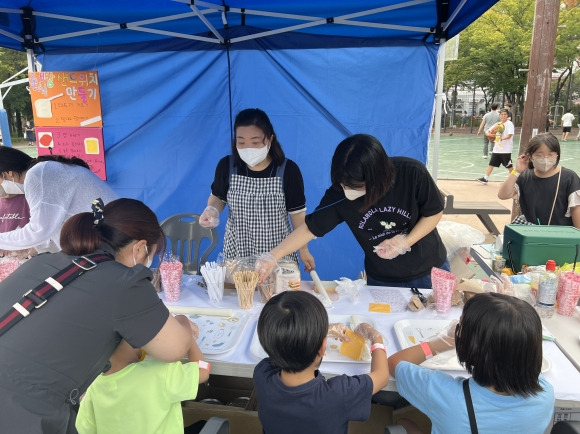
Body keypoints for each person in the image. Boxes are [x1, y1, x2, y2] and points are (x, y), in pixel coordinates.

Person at [0, 198, 196, 433]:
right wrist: (183, 322)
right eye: (152, 254)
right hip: (24, 417)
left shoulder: (41, 262)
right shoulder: (124, 281)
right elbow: (174, 349)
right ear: (140, 248)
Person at [258, 133, 448, 289]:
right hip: (382, 279)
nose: (347, 189)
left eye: (355, 186)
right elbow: (310, 229)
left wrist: (405, 242)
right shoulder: (339, 194)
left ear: (377, 177)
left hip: (430, 271)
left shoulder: (412, 173)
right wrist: (273, 256)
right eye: (342, 183)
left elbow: (434, 211)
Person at [387, 292, 554, 434]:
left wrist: (439, 343)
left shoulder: (446, 394)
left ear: (471, 349)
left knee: (404, 423)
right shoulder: (546, 393)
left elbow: (395, 363)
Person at [253, 291, 389, 434]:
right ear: (322, 347)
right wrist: (376, 338)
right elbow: (382, 375)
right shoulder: (340, 394)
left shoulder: (262, 374)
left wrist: (317, 334)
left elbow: (282, 347)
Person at [199, 108, 314, 271]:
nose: (248, 148)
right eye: (241, 142)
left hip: (278, 255)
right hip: (237, 254)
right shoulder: (227, 166)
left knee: (278, 296)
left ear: (270, 139)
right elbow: (218, 197)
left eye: (255, 142)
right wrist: (211, 210)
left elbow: (297, 215)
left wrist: (303, 249)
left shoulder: (288, 170)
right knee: (238, 295)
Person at [76, 335, 209, 434]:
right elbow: (203, 371)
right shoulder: (159, 372)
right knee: (204, 424)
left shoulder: (93, 387)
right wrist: (188, 339)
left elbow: (84, 430)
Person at [0, 147, 118, 253]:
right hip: (109, 234)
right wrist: (36, 247)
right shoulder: (46, 169)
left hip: (112, 239)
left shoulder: (37, 175)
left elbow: (37, 231)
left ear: (8, 174)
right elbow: (51, 226)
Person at [498, 132, 580, 227]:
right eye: (539, 155)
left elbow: (576, 208)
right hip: (531, 234)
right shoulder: (525, 176)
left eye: (550, 154)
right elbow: (503, 195)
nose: (545, 159)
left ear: (557, 154)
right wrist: (517, 171)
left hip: (560, 235)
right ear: (530, 156)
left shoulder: (569, 177)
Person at [476, 109, 514, 185]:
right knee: (491, 163)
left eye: (505, 114)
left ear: (507, 115)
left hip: (505, 150)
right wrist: (489, 134)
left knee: (509, 167)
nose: (503, 116)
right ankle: (485, 178)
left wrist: (501, 139)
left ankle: (516, 179)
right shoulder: (498, 124)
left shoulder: (509, 124)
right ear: (499, 116)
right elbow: (487, 131)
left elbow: (509, 135)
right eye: (501, 114)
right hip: (497, 149)